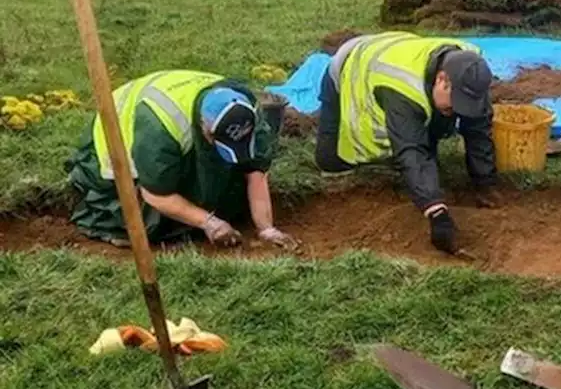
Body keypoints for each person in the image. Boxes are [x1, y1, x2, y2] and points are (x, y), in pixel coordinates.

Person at [315, 31, 499, 254]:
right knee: (330, 161)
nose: (456, 112)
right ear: (442, 79)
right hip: (350, 66)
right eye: (454, 104)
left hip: (398, 48)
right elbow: (412, 151)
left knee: (429, 137)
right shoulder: (401, 85)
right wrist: (436, 212)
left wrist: (485, 181)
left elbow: (478, 127)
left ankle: (419, 176)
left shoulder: (471, 70)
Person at [66, 71, 296, 249]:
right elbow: (156, 194)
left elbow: (255, 172)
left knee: (228, 194)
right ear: (206, 129)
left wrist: (267, 229)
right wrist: (210, 223)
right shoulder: (161, 129)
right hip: (113, 149)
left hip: (174, 134)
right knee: (150, 222)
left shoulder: (246, 109)